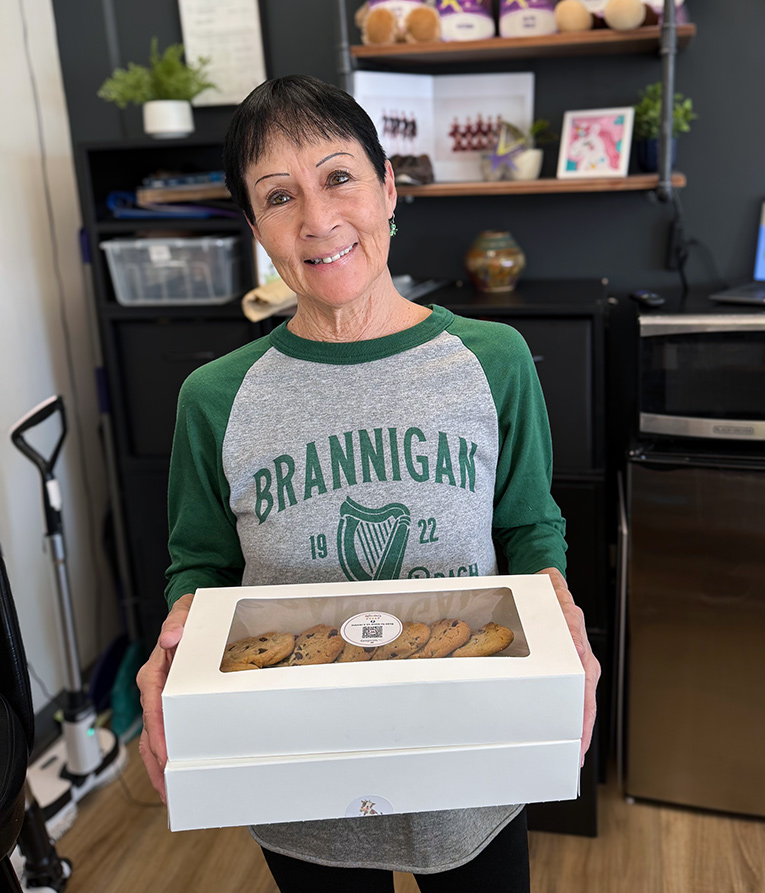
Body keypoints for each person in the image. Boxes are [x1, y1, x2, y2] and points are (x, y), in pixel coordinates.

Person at [136, 74, 600, 893]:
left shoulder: (491, 361)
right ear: (256, 228)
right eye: (279, 196)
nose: (317, 220)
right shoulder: (213, 399)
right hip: (295, 771)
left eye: (338, 176)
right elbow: (199, 571)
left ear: (388, 189)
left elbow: (530, 527)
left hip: (470, 760)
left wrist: (563, 618)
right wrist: (173, 643)